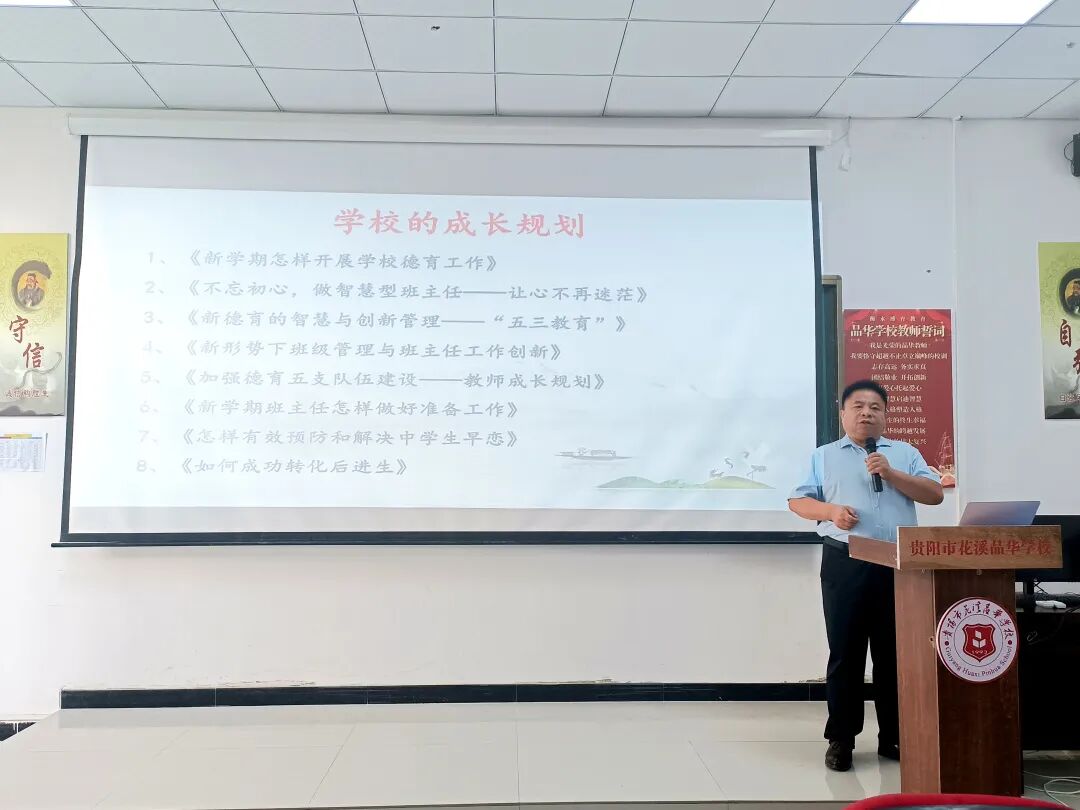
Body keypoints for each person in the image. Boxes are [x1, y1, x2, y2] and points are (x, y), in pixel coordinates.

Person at [788, 379, 943, 772]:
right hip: (845, 560)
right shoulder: (824, 456)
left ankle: (894, 736)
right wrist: (831, 512)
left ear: (886, 415)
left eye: (875, 407)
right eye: (857, 406)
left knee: (896, 653)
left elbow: (934, 494)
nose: (866, 413)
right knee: (846, 652)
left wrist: (891, 474)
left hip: (898, 563)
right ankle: (841, 739)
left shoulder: (904, 454)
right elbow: (798, 501)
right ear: (843, 413)